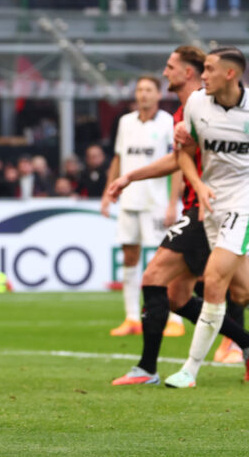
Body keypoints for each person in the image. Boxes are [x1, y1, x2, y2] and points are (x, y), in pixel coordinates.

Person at [107, 46, 249, 386]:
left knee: (155, 276)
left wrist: (134, 177)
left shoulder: (199, 106)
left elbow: (179, 160)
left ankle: (149, 369)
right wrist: (129, 177)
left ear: (189, 72)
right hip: (200, 205)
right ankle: (243, 343)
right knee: (183, 296)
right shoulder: (191, 110)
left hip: (212, 209)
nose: (165, 72)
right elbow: (180, 157)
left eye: (170, 67)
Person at [164, 48, 249, 388]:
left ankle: (189, 370)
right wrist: (197, 183)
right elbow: (184, 154)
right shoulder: (197, 105)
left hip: (243, 205)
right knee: (241, 291)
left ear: (230, 74)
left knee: (213, 281)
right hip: (210, 203)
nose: (203, 76)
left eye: (210, 70)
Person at [100, 75, 179, 337]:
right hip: (129, 201)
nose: (143, 94)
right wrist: (107, 192)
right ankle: (132, 317)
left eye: (148, 90)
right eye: (139, 89)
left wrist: (172, 203)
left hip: (156, 202)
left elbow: (177, 164)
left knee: (164, 260)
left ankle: (173, 320)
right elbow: (118, 159)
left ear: (158, 95)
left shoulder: (168, 123)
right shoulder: (125, 122)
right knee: (130, 257)